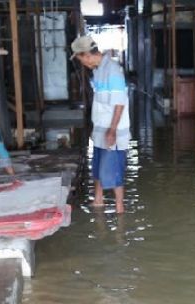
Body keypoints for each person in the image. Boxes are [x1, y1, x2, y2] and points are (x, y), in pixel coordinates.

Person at [71, 36, 130, 214]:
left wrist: (112, 131)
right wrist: (95, 129)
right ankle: (99, 200)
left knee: (113, 171)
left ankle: (120, 209)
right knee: (97, 167)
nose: (83, 64)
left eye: (81, 60)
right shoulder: (98, 71)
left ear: (87, 55)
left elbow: (119, 103)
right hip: (100, 130)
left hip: (113, 132)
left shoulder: (112, 71)